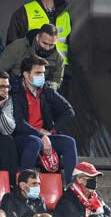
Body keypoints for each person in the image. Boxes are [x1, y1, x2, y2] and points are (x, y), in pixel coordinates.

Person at [10, 56, 78, 185]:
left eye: (42, 72)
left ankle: (72, 187)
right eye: (37, 73)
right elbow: (18, 123)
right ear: (25, 74)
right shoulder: (15, 92)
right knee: (35, 142)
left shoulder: (45, 90)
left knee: (69, 142)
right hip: (22, 137)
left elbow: (68, 111)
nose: (41, 76)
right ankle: (24, 186)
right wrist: (40, 135)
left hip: (44, 136)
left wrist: (53, 131)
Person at [6, 0, 71, 58]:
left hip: (61, 67)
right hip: (34, 66)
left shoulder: (65, 15)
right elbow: (12, 44)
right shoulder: (25, 12)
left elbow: (67, 43)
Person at [0, 23, 66, 91]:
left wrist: (52, 86)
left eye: (51, 45)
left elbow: (57, 80)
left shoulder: (58, 58)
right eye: (45, 43)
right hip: (14, 91)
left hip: (41, 96)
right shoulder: (17, 47)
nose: (47, 48)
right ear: (37, 37)